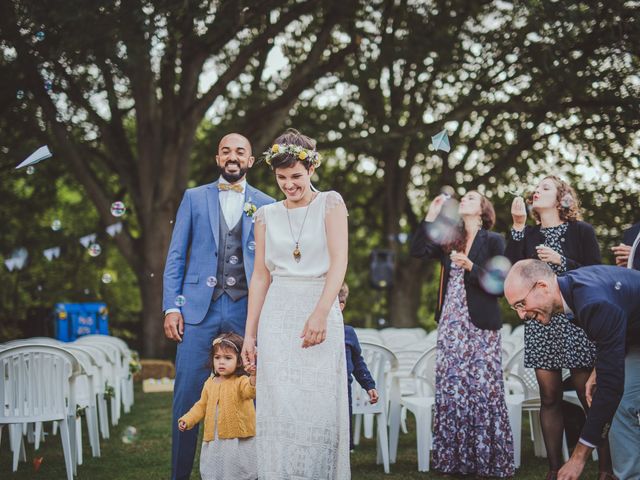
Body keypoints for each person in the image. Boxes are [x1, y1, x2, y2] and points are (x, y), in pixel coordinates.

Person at [163, 133, 274, 479]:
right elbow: (176, 255)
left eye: (240, 151)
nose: (232, 156)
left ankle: (250, 472)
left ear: (250, 161)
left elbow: (271, 264)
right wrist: (171, 307)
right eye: (226, 150)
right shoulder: (194, 198)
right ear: (217, 158)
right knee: (186, 395)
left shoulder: (268, 203)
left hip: (246, 311)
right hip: (198, 311)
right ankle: (179, 475)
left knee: (252, 393)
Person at [241, 128, 350, 479]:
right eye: (282, 177)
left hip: (319, 305)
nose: (289, 184)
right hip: (277, 315)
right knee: (279, 408)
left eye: (297, 176)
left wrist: (320, 312)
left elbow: (340, 262)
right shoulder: (264, 216)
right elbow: (260, 276)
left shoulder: (330, 203)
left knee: (317, 407)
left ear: (311, 170)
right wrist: (249, 336)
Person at [506, 176, 614, 480]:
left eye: (546, 187)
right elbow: (512, 273)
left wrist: (563, 260)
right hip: (540, 324)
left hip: (575, 319)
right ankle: (554, 469)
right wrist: (516, 227)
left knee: (588, 394)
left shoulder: (582, 231)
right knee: (549, 397)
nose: (537, 190)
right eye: (536, 188)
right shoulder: (527, 234)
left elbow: (596, 274)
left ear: (561, 198)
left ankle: (605, 469)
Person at [504, 260, 640, 480]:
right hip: (634, 339)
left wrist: (578, 458)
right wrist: (599, 367)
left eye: (521, 304)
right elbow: (614, 329)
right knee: (622, 405)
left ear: (542, 287)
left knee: (614, 395)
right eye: (515, 308)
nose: (521, 315)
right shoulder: (571, 291)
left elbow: (611, 387)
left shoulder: (592, 303)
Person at [410, 190, 514, 477]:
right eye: (463, 198)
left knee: (483, 388)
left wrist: (472, 267)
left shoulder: (494, 240)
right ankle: (454, 460)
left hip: (481, 323)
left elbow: (501, 284)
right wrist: (431, 215)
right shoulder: (450, 240)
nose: (464, 200)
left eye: (471, 197)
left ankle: (487, 458)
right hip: (451, 322)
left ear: (483, 209)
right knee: (454, 386)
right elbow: (417, 250)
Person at [178, 332, 257, 480]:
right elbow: (201, 406)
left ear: (239, 361)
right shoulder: (210, 383)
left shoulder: (241, 381)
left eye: (228, 358)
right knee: (215, 468)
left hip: (236, 436)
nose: (221, 362)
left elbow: (250, 392)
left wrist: (253, 377)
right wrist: (187, 419)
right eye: (217, 357)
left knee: (235, 468)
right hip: (214, 436)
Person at [339, 282, 379, 450]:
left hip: (343, 389)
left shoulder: (348, 332)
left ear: (341, 306)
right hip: (322, 387)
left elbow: (358, 362)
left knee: (343, 426)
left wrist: (369, 385)